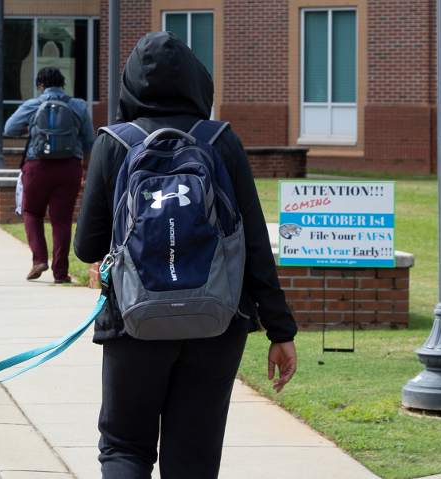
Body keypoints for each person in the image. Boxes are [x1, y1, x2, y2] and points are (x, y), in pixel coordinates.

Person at [74, 32, 299, 479]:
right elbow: (254, 242)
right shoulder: (220, 140)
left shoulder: (113, 143)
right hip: (218, 321)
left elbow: (85, 246)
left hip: (134, 319)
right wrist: (280, 329)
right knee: (192, 460)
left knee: (124, 447)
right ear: (199, 81)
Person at [3, 66, 95, 282]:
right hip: (69, 167)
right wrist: (86, 169)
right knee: (62, 220)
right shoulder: (78, 105)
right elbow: (90, 141)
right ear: (62, 84)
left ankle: (39, 260)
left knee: (32, 212)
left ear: (40, 85)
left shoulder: (33, 105)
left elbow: (10, 128)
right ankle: (61, 274)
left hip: (37, 166)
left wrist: (31, 129)